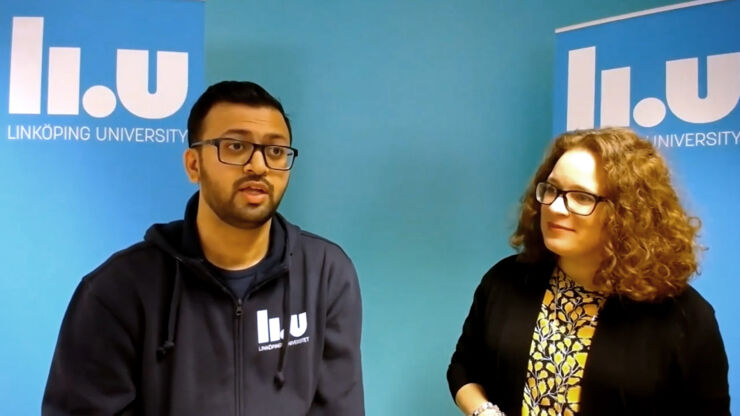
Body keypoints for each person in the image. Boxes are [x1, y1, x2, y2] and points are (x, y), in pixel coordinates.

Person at [43, 81, 364, 415]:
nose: (259, 166)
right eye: (236, 146)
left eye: (276, 150)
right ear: (193, 164)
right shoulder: (118, 290)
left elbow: (339, 408)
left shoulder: (325, 274)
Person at [447, 127, 730, 416]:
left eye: (582, 197)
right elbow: (463, 367)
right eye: (552, 189)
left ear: (627, 213)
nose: (556, 207)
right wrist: (483, 411)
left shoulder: (686, 318)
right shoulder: (505, 281)